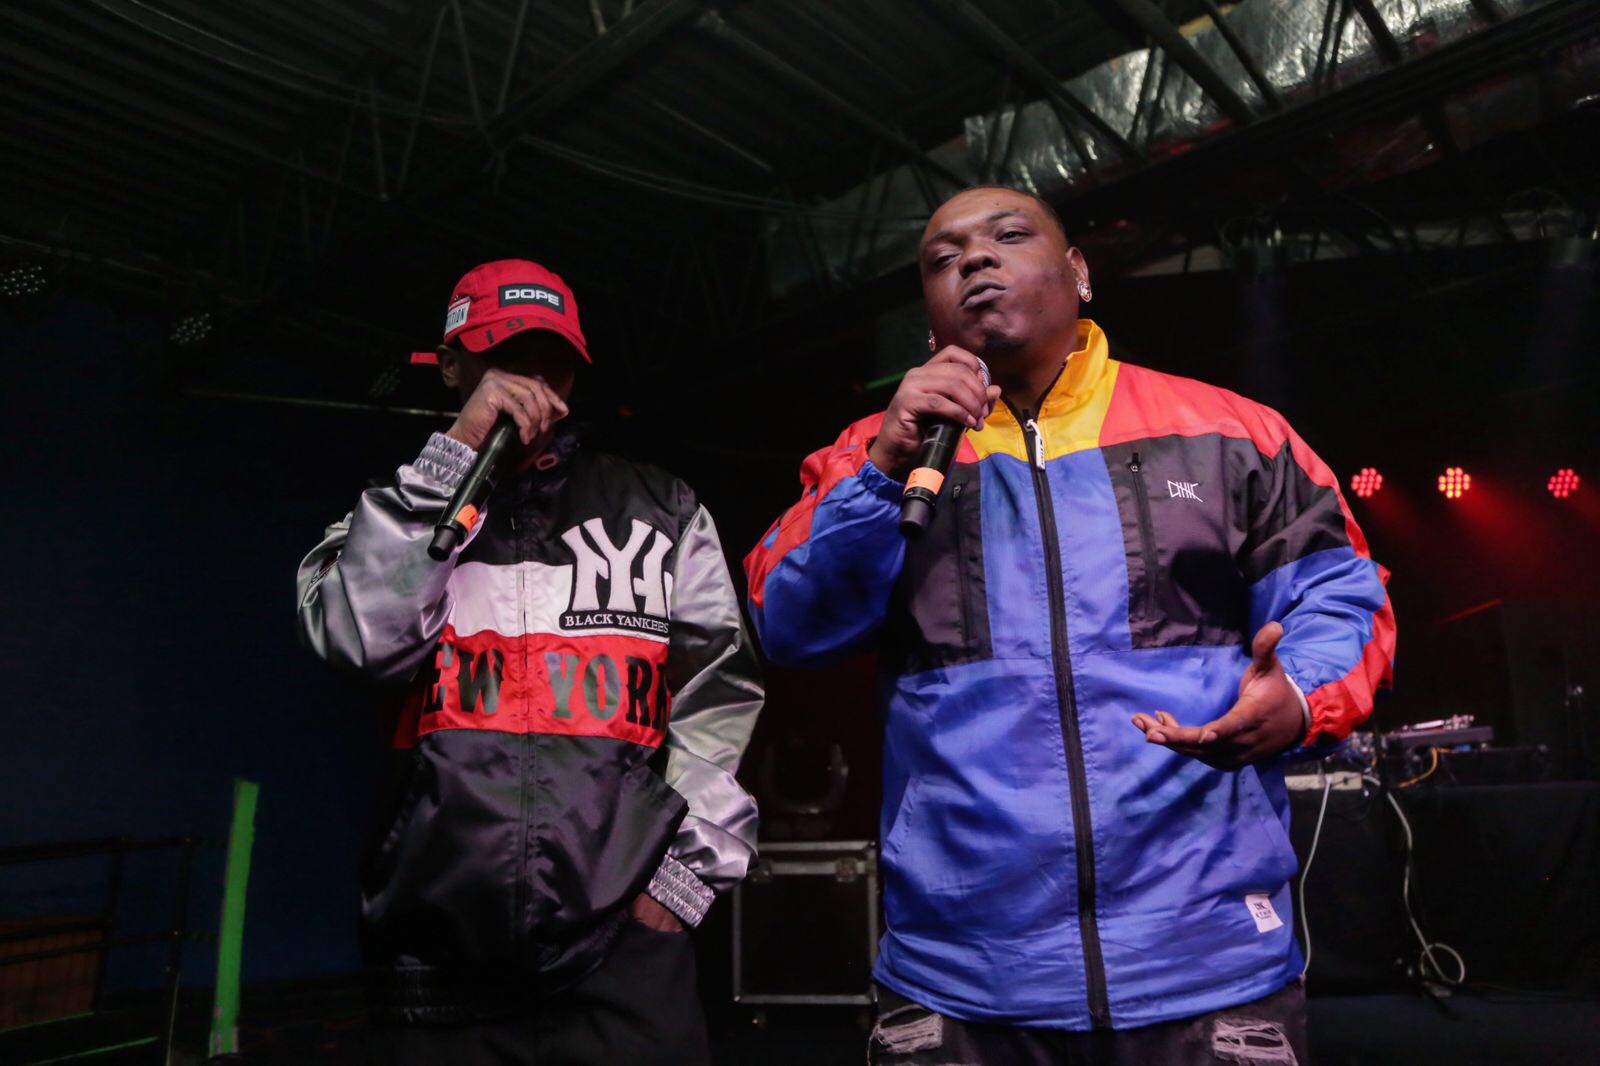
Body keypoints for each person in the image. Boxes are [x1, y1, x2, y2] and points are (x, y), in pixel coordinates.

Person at [743, 187, 1395, 1065]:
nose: (974, 260)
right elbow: (789, 624)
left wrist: (1301, 699)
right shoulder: (873, 453)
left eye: (1008, 236)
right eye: (942, 259)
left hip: (1205, 961)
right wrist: (881, 471)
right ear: (928, 313)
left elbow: (1340, 595)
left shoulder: (1230, 432)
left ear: (1080, 272)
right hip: (964, 974)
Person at [296, 259, 762, 1065]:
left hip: (624, 953)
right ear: (453, 366)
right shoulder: (389, 517)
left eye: (554, 363)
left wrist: (681, 883)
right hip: (435, 959)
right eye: (506, 356)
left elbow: (716, 695)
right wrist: (455, 457)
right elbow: (360, 644)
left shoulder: (662, 510)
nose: (532, 382)